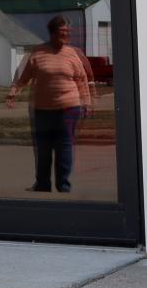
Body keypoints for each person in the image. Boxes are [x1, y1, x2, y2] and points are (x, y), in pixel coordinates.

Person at [6, 14, 96, 193]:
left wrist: (86, 102)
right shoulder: (38, 52)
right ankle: (42, 185)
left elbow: (82, 80)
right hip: (42, 110)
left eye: (68, 32)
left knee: (64, 148)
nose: (66, 36)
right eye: (62, 32)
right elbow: (24, 78)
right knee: (43, 149)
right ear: (52, 33)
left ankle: (63, 185)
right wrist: (13, 92)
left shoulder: (72, 54)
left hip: (69, 108)